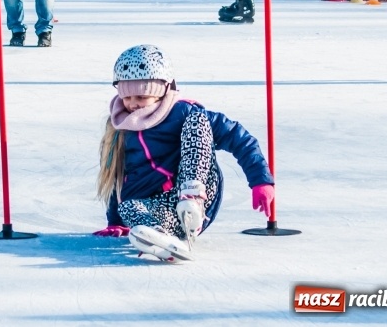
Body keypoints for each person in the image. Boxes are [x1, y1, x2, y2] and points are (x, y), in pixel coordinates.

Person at [92, 44, 274, 261]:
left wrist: (260, 181)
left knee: (198, 119)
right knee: (129, 206)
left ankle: (192, 200)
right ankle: (158, 237)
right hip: (162, 210)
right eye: (127, 97)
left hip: (195, 192)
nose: (132, 104)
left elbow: (239, 138)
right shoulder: (119, 126)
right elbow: (117, 177)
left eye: (141, 97)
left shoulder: (182, 112)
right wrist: (116, 221)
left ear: (161, 91)